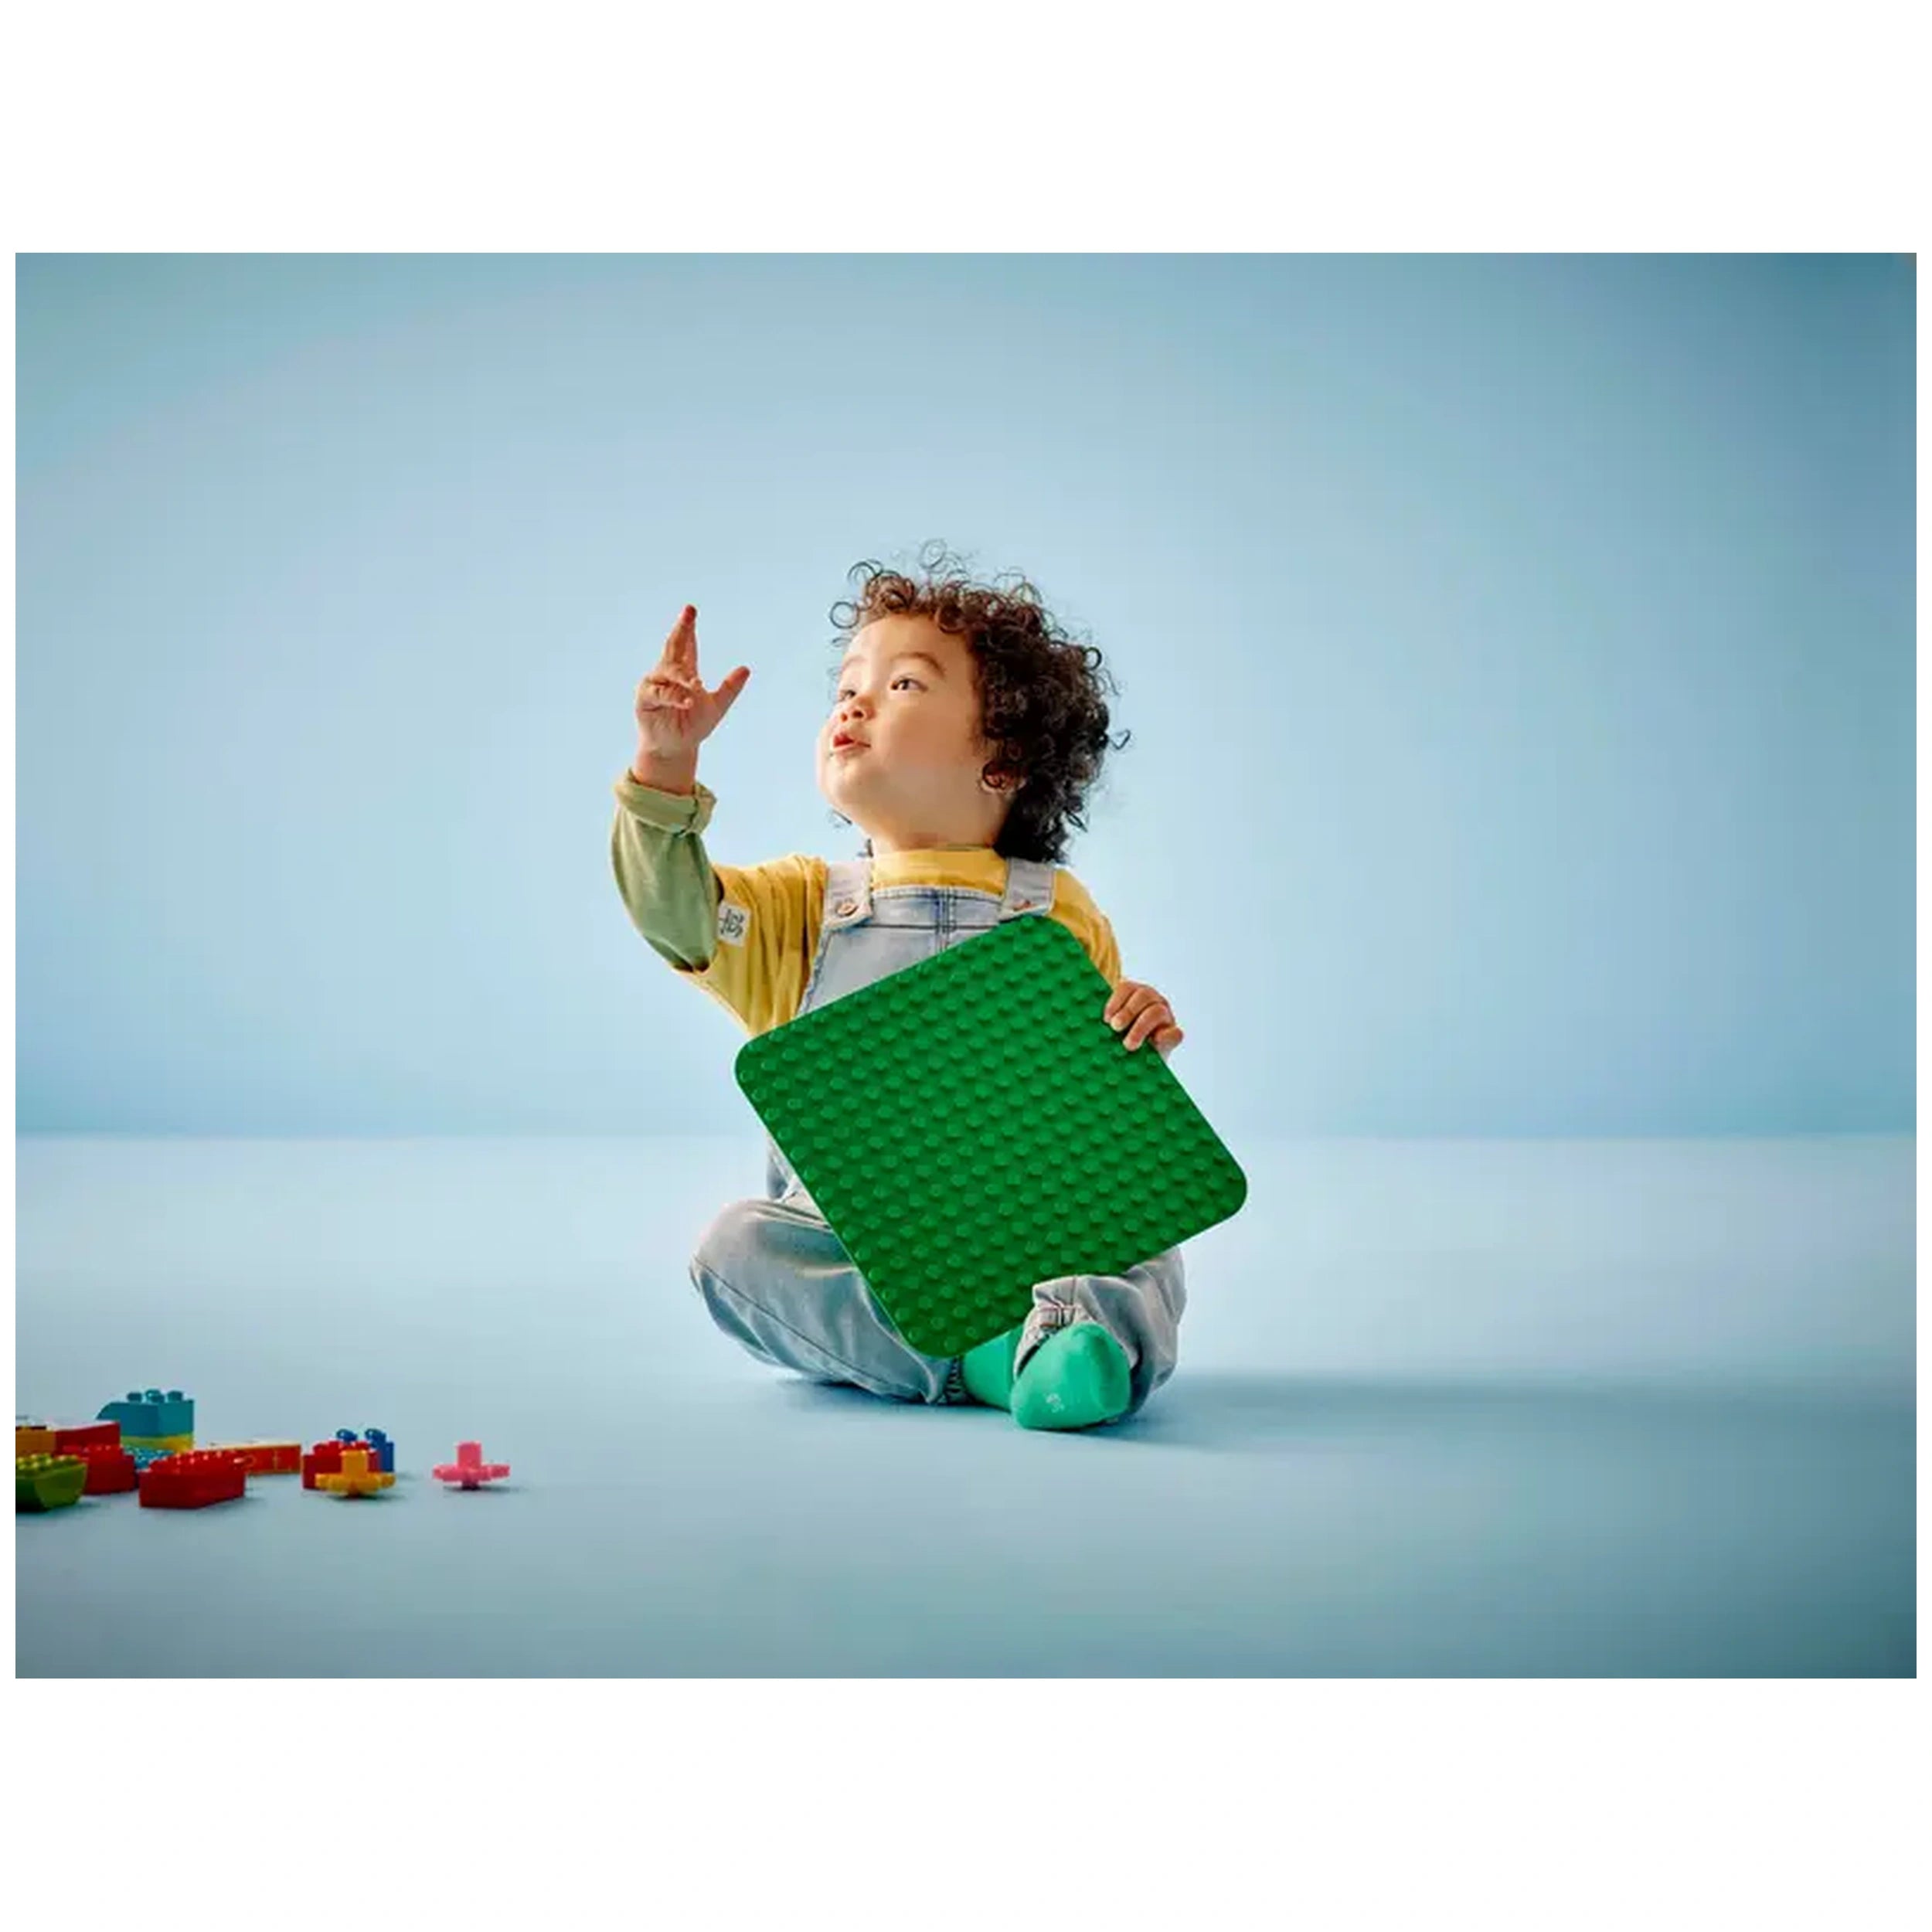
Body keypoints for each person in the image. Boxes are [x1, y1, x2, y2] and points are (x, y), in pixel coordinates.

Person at [609, 546, 1189, 1431]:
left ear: (1005, 759)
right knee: (735, 1251)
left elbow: (1098, 1102)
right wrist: (663, 769)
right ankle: (1003, 1359)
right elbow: (677, 916)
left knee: (1145, 1242)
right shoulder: (801, 906)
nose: (854, 700)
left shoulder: (1058, 910)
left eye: (906, 684)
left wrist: (1139, 1023)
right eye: (847, 684)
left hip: (1035, 1227)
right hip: (867, 1246)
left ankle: (1067, 1330)